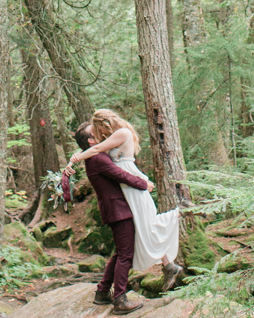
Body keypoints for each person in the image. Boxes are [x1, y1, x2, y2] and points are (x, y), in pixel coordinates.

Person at [65, 109, 183, 300]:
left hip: (120, 206)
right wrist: (143, 184)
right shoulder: (97, 157)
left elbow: (115, 166)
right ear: (91, 141)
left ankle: (103, 292)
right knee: (125, 254)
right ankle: (119, 298)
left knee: (124, 250)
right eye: (95, 132)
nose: (101, 133)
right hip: (118, 209)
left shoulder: (99, 152)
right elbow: (121, 175)